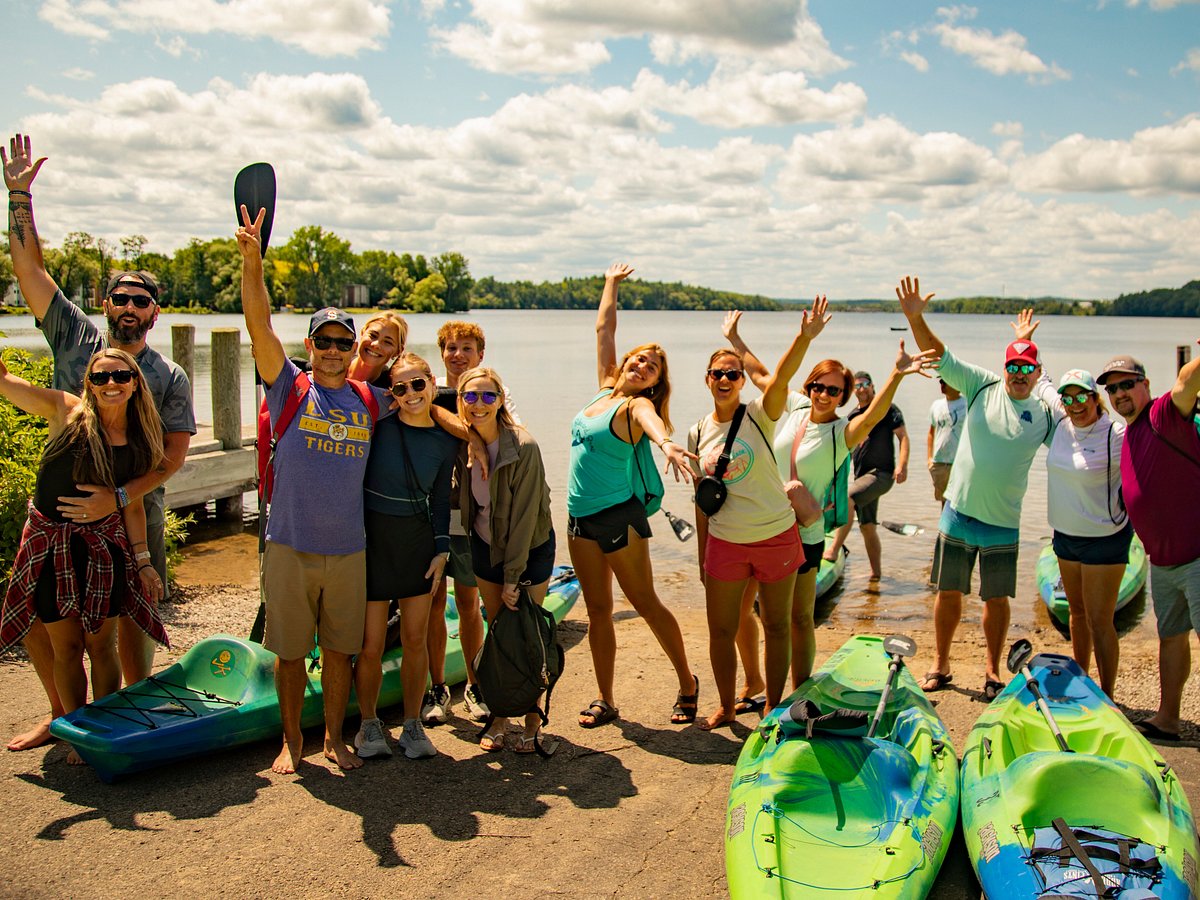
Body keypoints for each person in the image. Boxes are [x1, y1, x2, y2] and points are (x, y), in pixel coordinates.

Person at [4, 133, 195, 752]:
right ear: (106, 304)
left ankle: (129, 720)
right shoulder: (74, 340)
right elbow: (29, 271)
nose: (131, 307)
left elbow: (172, 459)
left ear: (155, 313)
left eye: (143, 300)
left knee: (130, 620)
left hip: (132, 509)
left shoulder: (169, 377)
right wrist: (18, 196)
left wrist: (115, 499)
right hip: (59, 510)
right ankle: (62, 717)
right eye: (122, 298)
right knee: (42, 623)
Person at [236, 205, 394, 774]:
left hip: (349, 549)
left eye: (341, 342)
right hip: (290, 544)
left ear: (353, 350)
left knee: (339, 651)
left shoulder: (369, 400)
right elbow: (258, 326)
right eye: (322, 340)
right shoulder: (290, 389)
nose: (331, 349)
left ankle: (333, 737)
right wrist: (253, 265)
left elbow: (430, 402)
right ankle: (290, 741)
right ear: (308, 344)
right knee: (289, 654)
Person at [725, 310, 936, 688]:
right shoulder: (794, 406)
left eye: (834, 390)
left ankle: (799, 690)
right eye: (818, 386)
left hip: (803, 536)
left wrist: (897, 375)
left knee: (799, 619)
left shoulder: (843, 432)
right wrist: (736, 341)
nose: (823, 395)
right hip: (763, 526)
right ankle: (759, 685)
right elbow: (761, 375)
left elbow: (873, 418)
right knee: (763, 617)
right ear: (809, 386)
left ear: (844, 396)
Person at [0, 349, 169, 764]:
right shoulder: (66, 412)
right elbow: (5, 384)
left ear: (135, 382)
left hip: (102, 552)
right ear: (89, 384)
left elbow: (132, 506)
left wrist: (144, 562)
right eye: (101, 377)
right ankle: (76, 727)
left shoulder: (142, 439)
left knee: (101, 645)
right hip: (49, 547)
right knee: (67, 646)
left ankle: (103, 725)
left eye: (120, 376)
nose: (111, 384)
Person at [898, 285, 1057, 700]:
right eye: (1014, 367)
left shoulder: (1044, 415)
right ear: (1003, 368)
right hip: (958, 511)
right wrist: (916, 319)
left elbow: (1078, 448)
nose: (1019, 375)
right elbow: (938, 354)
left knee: (996, 599)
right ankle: (941, 664)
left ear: (1038, 373)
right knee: (948, 593)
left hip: (1002, 521)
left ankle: (991, 669)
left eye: (1028, 368)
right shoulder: (980, 385)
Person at [568, 262, 698, 729]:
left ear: (655, 382)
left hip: (618, 517)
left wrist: (667, 444)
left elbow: (652, 423)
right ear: (625, 364)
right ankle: (606, 699)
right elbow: (604, 327)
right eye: (639, 358)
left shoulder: (634, 404)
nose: (641, 365)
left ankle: (687, 682)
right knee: (598, 610)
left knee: (644, 602)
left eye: (652, 366)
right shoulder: (603, 389)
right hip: (578, 518)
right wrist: (610, 282)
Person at [688, 302, 827, 730]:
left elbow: (783, 377)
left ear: (742, 380)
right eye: (719, 374)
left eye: (734, 373)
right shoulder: (696, 432)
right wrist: (701, 556)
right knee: (721, 632)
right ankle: (728, 708)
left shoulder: (760, 415)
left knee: (777, 625)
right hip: (726, 543)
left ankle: (771, 707)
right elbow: (702, 502)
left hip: (776, 536)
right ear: (707, 380)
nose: (726, 379)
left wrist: (804, 337)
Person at [356, 353, 459, 760]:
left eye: (418, 384)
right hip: (375, 542)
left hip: (418, 543)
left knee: (416, 640)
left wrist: (442, 548)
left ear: (432, 383)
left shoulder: (446, 438)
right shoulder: (376, 428)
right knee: (371, 644)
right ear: (391, 394)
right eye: (401, 388)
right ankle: (368, 725)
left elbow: (439, 499)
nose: (411, 393)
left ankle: (412, 725)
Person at [1099, 347, 1200, 741]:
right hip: (1163, 562)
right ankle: (1169, 717)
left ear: (1145, 385)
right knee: (1171, 637)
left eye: (1127, 384)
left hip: (1195, 555)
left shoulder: (1163, 414)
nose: (1120, 393)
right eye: (1112, 389)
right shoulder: (1130, 433)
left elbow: (1187, 381)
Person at [456, 365, 556, 751]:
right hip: (485, 547)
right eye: (470, 396)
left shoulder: (523, 446)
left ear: (500, 400)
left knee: (527, 636)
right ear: (461, 401)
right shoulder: (464, 440)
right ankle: (499, 717)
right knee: (497, 633)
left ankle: (532, 719)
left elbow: (525, 516)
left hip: (528, 549)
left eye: (487, 396)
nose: (478, 404)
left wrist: (513, 577)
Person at [423, 321, 517, 726]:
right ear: (441, 353)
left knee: (467, 603)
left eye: (467, 348)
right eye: (451, 348)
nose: (458, 355)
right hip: (429, 516)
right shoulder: (424, 392)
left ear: (481, 354)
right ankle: (436, 686)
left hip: (468, 519)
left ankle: (476, 684)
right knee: (428, 604)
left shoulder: (492, 395)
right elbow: (425, 409)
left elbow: (509, 439)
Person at [1045, 369, 1129, 699]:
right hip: (1065, 535)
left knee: (1100, 619)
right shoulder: (1061, 423)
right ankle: (1082, 681)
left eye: (1082, 396)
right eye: (1068, 398)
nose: (1074, 404)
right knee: (1076, 613)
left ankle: (1108, 695)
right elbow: (1043, 384)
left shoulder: (1116, 432)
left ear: (1095, 399)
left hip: (1105, 537)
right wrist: (1027, 341)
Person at [822, 371, 909, 580]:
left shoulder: (887, 408)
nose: (861, 389)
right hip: (862, 478)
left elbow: (903, 437)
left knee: (848, 498)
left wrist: (903, 466)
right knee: (868, 528)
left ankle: (833, 549)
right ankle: (876, 576)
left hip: (881, 475)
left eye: (865, 384)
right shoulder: (852, 417)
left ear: (872, 387)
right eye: (857, 385)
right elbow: (844, 453)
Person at [927, 379, 965, 507]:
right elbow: (931, 433)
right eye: (940, 382)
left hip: (960, 462)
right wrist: (929, 459)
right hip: (940, 462)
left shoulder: (967, 404)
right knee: (945, 503)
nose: (942, 385)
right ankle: (943, 527)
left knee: (961, 503)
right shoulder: (936, 405)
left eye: (945, 381)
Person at [348, 312, 408, 386]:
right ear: (362, 332)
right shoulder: (336, 364)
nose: (376, 344)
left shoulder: (390, 391)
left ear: (398, 351)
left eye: (387, 342)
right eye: (373, 335)